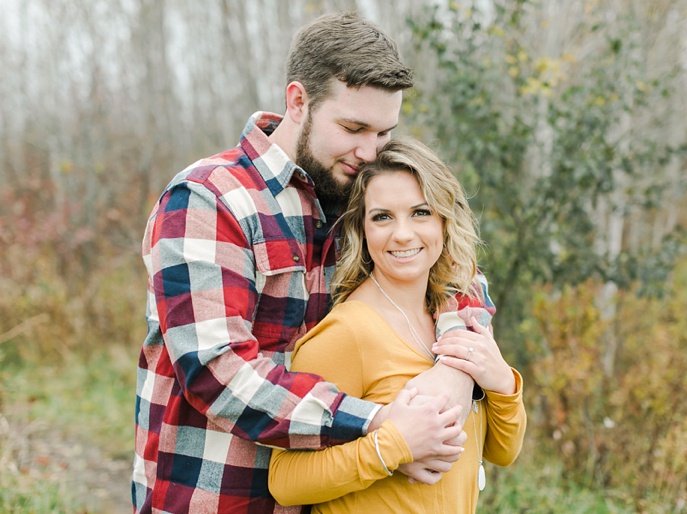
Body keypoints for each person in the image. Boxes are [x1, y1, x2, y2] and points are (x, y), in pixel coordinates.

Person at [133, 11, 480, 514]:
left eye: (383, 133)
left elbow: (455, 273)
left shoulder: (359, 195)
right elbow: (216, 369)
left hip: (329, 496)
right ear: (298, 100)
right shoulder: (210, 199)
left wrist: (455, 371)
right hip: (217, 497)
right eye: (353, 127)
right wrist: (379, 423)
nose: (369, 151)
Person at [268, 137, 527, 513]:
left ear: (444, 219)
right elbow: (286, 481)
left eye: (420, 212)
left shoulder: (456, 320)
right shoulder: (346, 333)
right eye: (383, 216)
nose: (403, 234)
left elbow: (503, 451)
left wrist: (502, 382)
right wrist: (392, 447)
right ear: (362, 229)